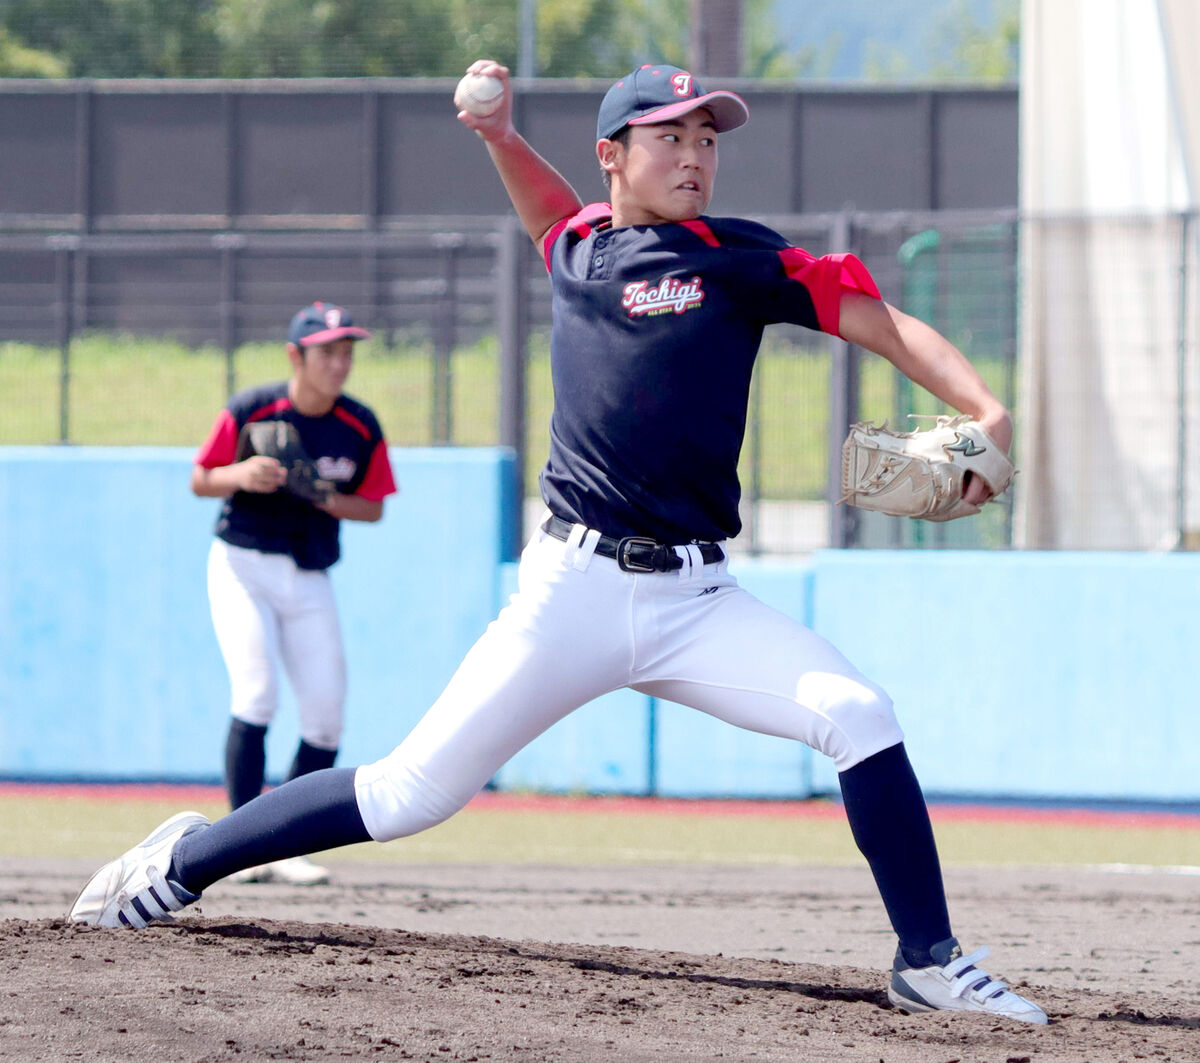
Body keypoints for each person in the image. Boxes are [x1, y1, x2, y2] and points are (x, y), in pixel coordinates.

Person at [69, 64, 1045, 1025]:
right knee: (409, 792)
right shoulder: (579, 248)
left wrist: (984, 408)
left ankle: (930, 961)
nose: (696, 155)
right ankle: (183, 861)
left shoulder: (738, 257)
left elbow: (883, 323)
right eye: (671, 135)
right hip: (568, 594)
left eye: (707, 138)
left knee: (860, 714)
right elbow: (548, 213)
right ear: (612, 156)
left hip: (696, 605)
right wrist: (499, 138)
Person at [190, 301, 397, 885]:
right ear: (295, 356)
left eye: (346, 351)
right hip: (242, 564)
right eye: (327, 351)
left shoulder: (358, 424)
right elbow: (201, 477)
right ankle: (234, 849)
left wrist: (323, 496)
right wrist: (242, 474)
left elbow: (374, 507)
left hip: (307, 574)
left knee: (326, 718)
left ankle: (282, 849)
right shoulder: (254, 409)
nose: (339, 363)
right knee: (256, 696)